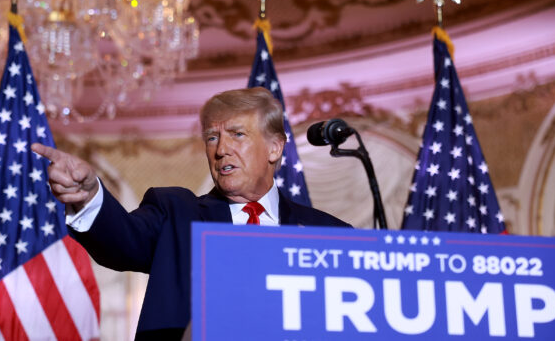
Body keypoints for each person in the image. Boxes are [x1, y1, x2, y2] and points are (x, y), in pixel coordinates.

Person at [32, 87, 350, 340]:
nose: (221, 149)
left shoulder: (329, 233)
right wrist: (88, 197)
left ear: (274, 148)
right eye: (212, 137)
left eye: (237, 134)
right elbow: (122, 241)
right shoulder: (176, 213)